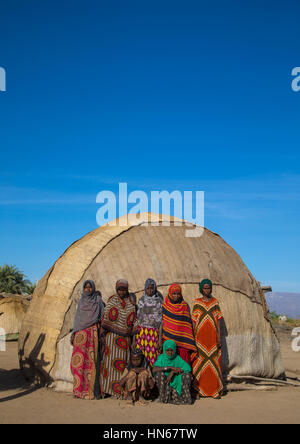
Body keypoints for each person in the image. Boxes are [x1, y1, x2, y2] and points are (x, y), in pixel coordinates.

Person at [100, 279, 137, 398]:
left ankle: (119, 391)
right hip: (111, 338)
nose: (122, 292)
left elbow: (134, 321)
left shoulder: (131, 303)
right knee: (109, 366)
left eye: (124, 289)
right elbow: (106, 318)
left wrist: (134, 339)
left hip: (125, 340)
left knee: (121, 365)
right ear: (116, 289)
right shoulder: (112, 300)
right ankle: (107, 390)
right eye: (120, 289)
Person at [70, 280, 105, 400]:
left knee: (90, 362)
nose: (88, 289)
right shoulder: (80, 302)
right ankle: (77, 390)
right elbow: (76, 318)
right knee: (77, 363)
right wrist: (74, 333)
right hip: (80, 334)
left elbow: (102, 317)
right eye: (86, 287)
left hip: (92, 333)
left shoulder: (98, 301)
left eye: (90, 287)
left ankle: (89, 392)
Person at [191, 279, 223, 399]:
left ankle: (214, 390)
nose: (206, 290)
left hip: (212, 338)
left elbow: (218, 321)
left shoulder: (215, 302)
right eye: (204, 288)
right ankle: (199, 389)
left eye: (208, 288)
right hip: (200, 338)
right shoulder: (197, 303)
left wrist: (219, 337)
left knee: (213, 363)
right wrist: (193, 337)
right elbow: (194, 321)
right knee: (199, 363)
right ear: (201, 289)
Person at [162, 283, 197, 365]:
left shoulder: (184, 306)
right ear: (170, 294)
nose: (176, 296)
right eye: (174, 294)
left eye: (178, 294)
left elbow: (187, 324)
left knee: (183, 362)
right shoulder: (165, 306)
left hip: (182, 340)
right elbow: (163, 323)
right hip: (168, 338)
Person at [152, 340, 193, 405]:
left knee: (187, 375)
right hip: (166, 385)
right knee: (159, 374)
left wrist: (173, 372)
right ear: (164, 350)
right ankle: (163, 398)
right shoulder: (162, 358)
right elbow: (154, 369)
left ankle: (185, 398)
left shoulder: (177, 358)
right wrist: (169, 368)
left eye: (172, 350)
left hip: (176, 386)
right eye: (168, 350)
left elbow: (188, 368)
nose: (170, 352)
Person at [135, 278, 164, 367]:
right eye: (148, 288)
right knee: (140, 357)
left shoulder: (159, 302)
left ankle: (151, 378)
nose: (150, 290)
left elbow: (160, 322)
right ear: (145, 289)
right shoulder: (141, 300)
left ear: (155, 288)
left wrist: (159, 339)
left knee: (152, 358)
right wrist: (134, 339)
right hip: (142, 333)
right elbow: (138, 320)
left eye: (152, 288)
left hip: (153, 333)